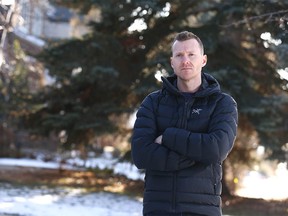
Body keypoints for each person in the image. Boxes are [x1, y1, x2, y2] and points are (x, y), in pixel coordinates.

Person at [131, 31, 238, 216]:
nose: (185, 60)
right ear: (172, 62)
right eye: (179, 55)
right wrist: (197, 155)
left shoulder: (222, 104)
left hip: (202, 210)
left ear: (203, 60)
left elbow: (216, 150)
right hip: (158, 209)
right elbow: (140, 154)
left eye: (191, 54)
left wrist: (168, 137)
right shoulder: (153, 103)